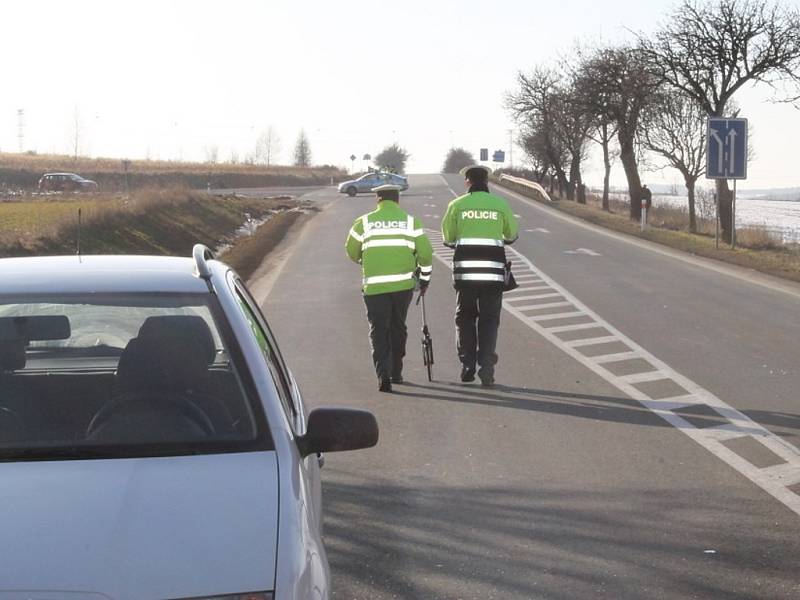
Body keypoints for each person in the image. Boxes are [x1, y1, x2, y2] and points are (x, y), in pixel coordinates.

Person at [346, 184, 433, 393]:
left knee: (378, 329)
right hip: (403, 287)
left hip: (374, 287)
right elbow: (426, 254)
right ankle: (396, 371)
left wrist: (365, 260)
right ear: (397, 200)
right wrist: (425, 279)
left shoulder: (363, 222)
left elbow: (351, 251)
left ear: (378, 199)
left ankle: (382, 373)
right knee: (398, 326)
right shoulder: (411, 222)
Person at [441, 165, 518, 388]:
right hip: (493, 275)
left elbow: (448, 238)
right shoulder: (500, 204)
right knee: (489, 320)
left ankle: (467, 365)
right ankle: (487, 369)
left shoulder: (457, 205)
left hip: (465, 275)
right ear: (487, 181)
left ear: (467, 182)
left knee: (465, 318)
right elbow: (511, 235)